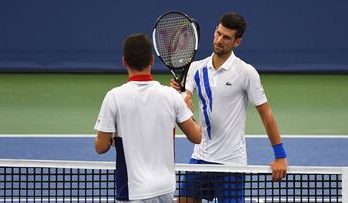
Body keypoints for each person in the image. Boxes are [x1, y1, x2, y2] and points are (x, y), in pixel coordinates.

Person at [170, 12, 288, 202]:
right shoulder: (196, 68)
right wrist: (181, 97)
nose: (219, 40)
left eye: (226, 37)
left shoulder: (246, 72)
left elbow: (266, 113)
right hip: (200, 157)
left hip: (231, 163)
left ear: (237, 42)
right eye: (218, 33)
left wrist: (280, 155)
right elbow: (187, 95)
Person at [94, 33, 201, 203]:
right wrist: (189, 111)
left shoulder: (114, 97)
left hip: (133, 191)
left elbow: (100, 147)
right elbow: (197, 136)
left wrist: (112, 138)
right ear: (152, 60)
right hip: (165, 189)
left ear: (124, 62)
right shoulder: (171, 96)